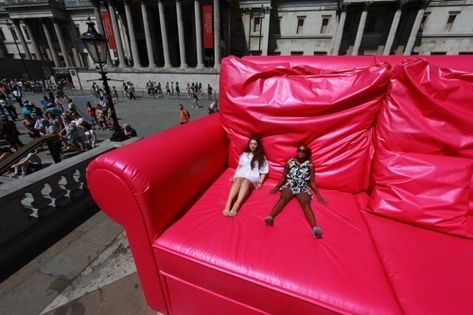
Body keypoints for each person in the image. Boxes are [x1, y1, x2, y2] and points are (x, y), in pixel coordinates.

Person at [264, 144, 327, 239]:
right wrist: (277, 187)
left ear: (306, 153)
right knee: (283, 199)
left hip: (302, 186)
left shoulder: (310, 165)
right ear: (297, 151)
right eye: (299, 150)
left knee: (305, 204)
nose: (301, 152)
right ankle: (270, 217)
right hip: (290, 184)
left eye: (303, 151)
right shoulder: (289, 162)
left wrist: (319, 195)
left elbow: (312, 182)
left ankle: (315, 228)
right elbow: (284, 177)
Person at [223, 137, 269, 217]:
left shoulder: (262, 157)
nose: (253, 145)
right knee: (238, 179)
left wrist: (260, 182)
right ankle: (228, 203)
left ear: (258, 145)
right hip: (242, 173)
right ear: (249, 144)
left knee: (246, 181)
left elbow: (264, 172)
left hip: (252, 175)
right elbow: (239, 166)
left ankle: (236, 205)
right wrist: (234, 176)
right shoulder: (244, 154)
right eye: (251, 144)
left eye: (255, 144)